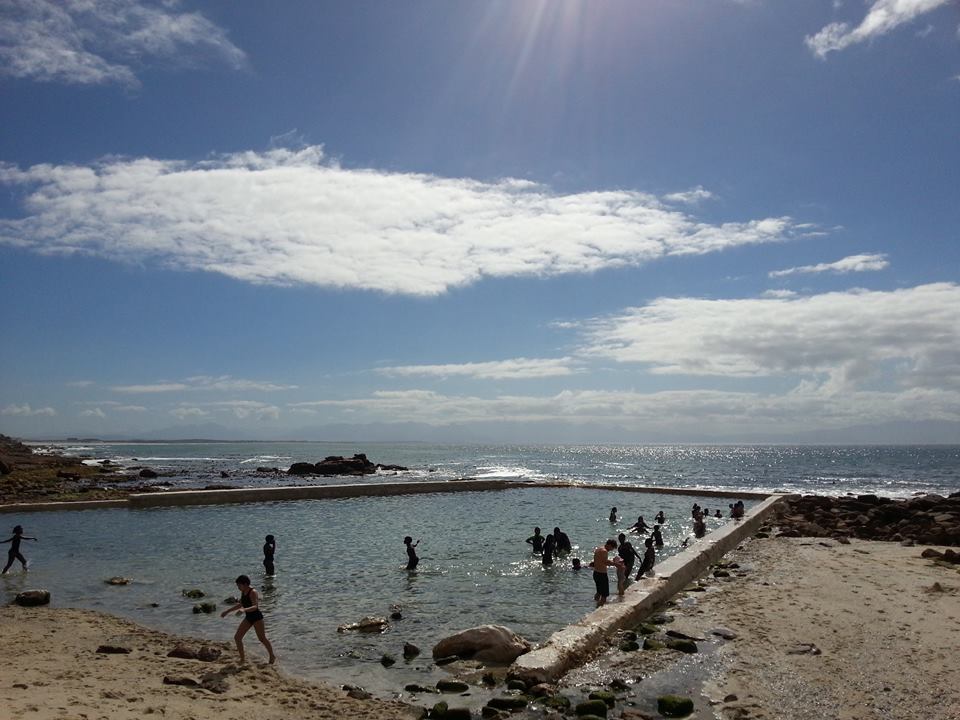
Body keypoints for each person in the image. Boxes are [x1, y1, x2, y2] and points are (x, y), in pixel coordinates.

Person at [220, 575, 276, 664]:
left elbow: (255, 606)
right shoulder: (243, 591)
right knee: (237, 637)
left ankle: (272, 655)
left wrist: (244, 610)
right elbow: (241, 604)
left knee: (262, 638)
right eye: (237, 585)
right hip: (248, 618)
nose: (238, 587)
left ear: (245, 584)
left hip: (257, 617)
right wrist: (227, 611)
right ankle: (242, 659)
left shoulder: (253, 592)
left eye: (239, 585)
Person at [591, 539, 618, 606]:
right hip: (602, 574)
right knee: (604, 595)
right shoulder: (604, 551)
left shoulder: (599, 549)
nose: (611, 550)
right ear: (609, 545)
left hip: (596, 573)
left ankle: (595, 605)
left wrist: (611, 561)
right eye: (612, 548)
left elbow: (602, 560)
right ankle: (599, 607)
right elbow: (605, 562)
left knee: (599, 592)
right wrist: (616, 564)